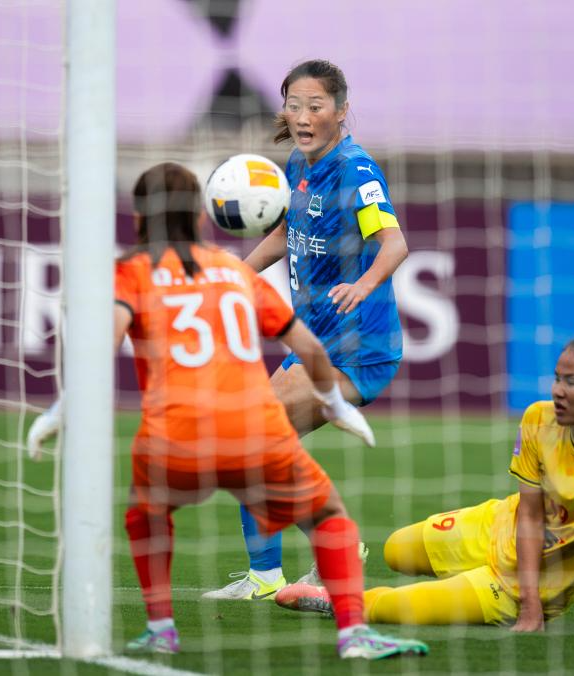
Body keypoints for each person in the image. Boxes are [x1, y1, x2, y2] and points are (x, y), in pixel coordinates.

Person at [26, 162, 427, 659]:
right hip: (251, 424)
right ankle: (353, 634)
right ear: (201, 217)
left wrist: (60, 409)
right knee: (331, 519)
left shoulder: (131, 272)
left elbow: (99, 351)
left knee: (146, 515)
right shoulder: (230, 272)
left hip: (173, 433)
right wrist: (335, 405)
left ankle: (163, 626)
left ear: (138, 219)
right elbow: (306, 344)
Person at [275, 330, 574, 629]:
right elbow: (529, 513)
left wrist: (530, 606)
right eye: (557, 378)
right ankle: (464, 580)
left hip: (518, 584)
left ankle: (335, 600)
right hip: (497, 526)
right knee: (396, 550)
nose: (557, 390)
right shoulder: (538, 418)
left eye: (571, 381)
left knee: (393, 608)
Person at [204, 59, 410, 600]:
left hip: (358, 348)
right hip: (316, 344)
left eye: (315, 106)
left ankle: (333, 543)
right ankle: (265, 576)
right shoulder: (298, 162)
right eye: (294, 105)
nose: (302, 116)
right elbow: (284, 233)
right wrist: (237, 274)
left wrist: (363, 284)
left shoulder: (356, 170)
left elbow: (394, 244)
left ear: (341, 111)